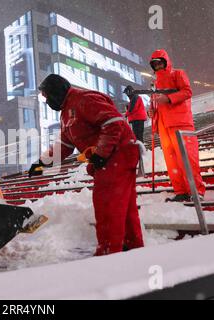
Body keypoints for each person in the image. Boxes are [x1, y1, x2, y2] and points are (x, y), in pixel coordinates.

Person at [29, 74, 144, 256]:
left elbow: (114, 123)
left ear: (57, 92)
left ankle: (109, 251)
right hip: (112, 157)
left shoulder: (84, 99)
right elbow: (65, 145)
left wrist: (101, 153)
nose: (47, 101)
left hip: (118, 155)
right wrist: (42, 163)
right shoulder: (66, 113)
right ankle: (131, 245)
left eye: (47, 96)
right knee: (123, 205)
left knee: (107, 204)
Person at [149, 49, 205, 202]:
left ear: (166, 62)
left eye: (160, 62)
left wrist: (168, 98)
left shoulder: (178, 74)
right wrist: (152, 112)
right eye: (155, 64)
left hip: (180, 122)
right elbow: (155, 103)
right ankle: (180, 190)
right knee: (171, 159)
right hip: (163, 124)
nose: (158, 66)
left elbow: (187, 91)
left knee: (187, 157)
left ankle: (195, 190)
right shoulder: (155, 83)